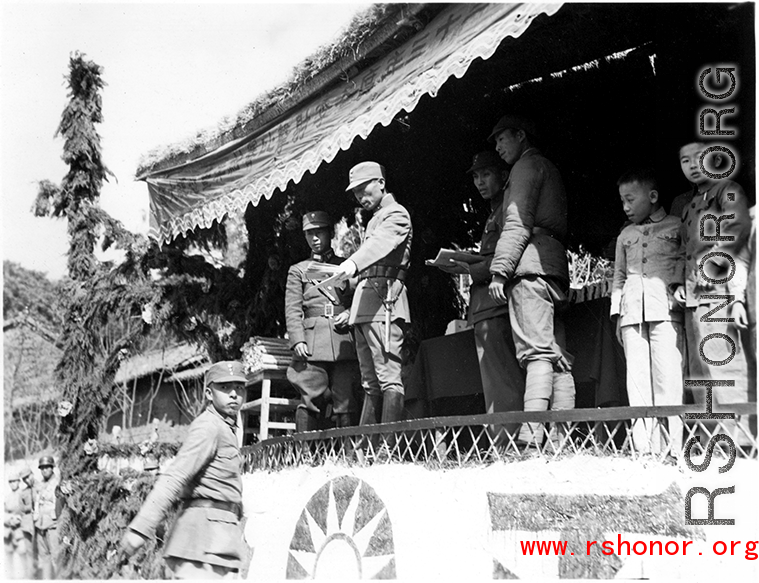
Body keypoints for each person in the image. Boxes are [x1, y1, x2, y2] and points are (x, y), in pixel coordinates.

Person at [486, 114, 576, 447]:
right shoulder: (548, 166)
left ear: (521, 135)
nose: (497, 148)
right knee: (557, 353)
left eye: (501, 139)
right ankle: (561, 437)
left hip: (529, 267)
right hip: (553, 266)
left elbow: (517, 222)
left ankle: (530, 434)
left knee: (535, 352)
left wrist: (500, 270)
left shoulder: (523, 169)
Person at [122, 361, 249, 579]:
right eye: (225, 388)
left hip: (218, 542)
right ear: (209, 393)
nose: (234, 394)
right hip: (199, 544)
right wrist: (139, 530)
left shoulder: (226, 428)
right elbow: (175, 477)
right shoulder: (208, 427)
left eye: (239, 387)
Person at [440, 151, 525, 441]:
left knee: (502, 380)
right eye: (476, 176)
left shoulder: (507, 210)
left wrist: (470, 267)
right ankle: (504, 440)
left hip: (495, 305)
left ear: (503, 175)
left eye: (486, 174)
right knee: (495, 381)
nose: (479, 182)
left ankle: (508, 442)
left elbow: (510, 254)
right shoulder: (496, 210)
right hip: (487, 305)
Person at [611, 168, 685, 457]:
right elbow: (618, 276)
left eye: (631, 199)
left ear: (652, 197)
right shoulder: (625, 235)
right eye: (622, 201)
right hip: (631, 315)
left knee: (668, 379)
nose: (626, 207)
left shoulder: (676, 227)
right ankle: (645, 449)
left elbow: (684, 263)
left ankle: (674, 448)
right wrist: (617, 315)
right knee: (638, 381)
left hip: (665, 312)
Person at [673, 142, 752, 411]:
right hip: (693, 295)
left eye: (699, 157)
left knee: (721, 362)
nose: (693, 165)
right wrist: (676, 283)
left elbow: (737, 226)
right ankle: (712, 435)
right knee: (699, 368)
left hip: (717, 291)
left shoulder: (727, 190)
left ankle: (736, 439)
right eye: (685, 160)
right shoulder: (689, 205)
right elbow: (683, 248)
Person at [334, 161, 412, 426]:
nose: (359, 196)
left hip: (384, 302)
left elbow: (380, 246)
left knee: (388, 375)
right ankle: (366, 449)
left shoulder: (396, 214)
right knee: (370, 380)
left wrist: (353, 263)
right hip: (365, 304)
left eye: (363, 188)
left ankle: (387, 449)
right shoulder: (374, 220)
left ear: (381, 183)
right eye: (355, 192)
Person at [285, 210, 360, 431]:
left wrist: (350, 314)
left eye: (319, 232)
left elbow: (359, 297)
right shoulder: (298, 270)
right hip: (312, 342)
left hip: (342, 340)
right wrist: (297, 339)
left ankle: (349, 456)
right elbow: (292, 309)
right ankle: (305, 457)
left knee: (346, 399)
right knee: (310, 398)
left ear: (331, 233)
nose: (315, 239)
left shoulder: (347, 266)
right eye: (310, 234)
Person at [34, 456, 59, 579]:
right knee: (44, 558)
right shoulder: (39, 484)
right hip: (40, 525)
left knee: (56, 557)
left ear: (52, 468)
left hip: (53, 527)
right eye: (42, 468)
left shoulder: (58, 483)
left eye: (47, 467)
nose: (44, 470)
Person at [5, 469, 33, 579]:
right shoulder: (6, 497)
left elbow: (28, 510)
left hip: (21, 529)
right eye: (10, 482)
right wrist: (8, 520)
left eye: (15, 481)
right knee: (8, 555)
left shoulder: (23, 494)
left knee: (23, 553)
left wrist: (19, 519)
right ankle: (9, 578)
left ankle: (28, 577)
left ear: (19, 482)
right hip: (8, 530)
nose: (13, 484)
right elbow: (4, 512)